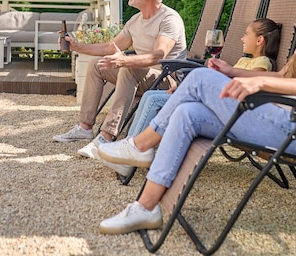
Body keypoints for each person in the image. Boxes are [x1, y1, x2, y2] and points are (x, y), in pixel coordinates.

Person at [97, 0, 296, 234]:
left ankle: (140, 145)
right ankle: (146, 207)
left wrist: (258, 80)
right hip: (284, 119)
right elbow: (285, 77)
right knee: (186, 113)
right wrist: (232, 71)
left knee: (200, 78)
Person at [101, 18, 282, 176]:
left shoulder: (262, 63)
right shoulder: (244, 61)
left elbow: (254, 84)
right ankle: (130, 146)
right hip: (215, 100)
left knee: (155, 100)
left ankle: (129, 157)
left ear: (259, 40)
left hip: (225, 107)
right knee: (149, 95)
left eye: (246, 34)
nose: (242, 38)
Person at [53, 0, 187, 160]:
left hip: (167, 81)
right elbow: (111, 46)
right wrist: (77, 46)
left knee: (129, 67)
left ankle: (106, 137)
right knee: (95, 65)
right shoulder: (136, 20)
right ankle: (85, 127)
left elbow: (159, 55)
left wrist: (125, 60)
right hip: (142, 76)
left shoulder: (169, 19)